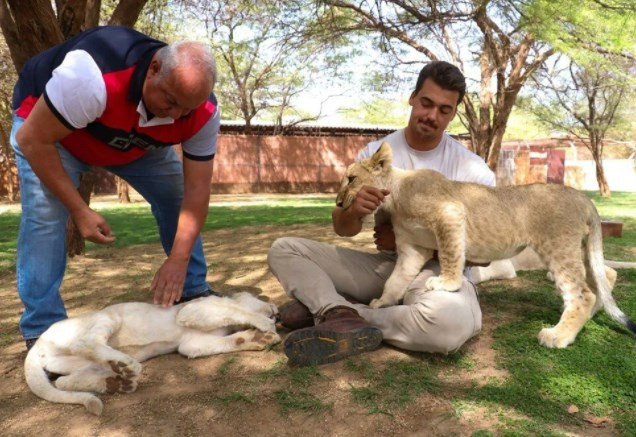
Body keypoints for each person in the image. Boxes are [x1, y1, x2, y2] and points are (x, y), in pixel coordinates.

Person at [268, 61, 496, 366]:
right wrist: (354, 211)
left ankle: (345, 314)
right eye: (426, 103)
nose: (432, 116)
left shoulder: (472, 170)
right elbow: (342, 227)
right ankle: (338, 310)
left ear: (453, 113)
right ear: (412, 98)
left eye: (444, 110)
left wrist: (411, 235)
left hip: (436, 275)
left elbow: (485, 254)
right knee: (284, 250)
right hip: (386, 267)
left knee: (448, 326)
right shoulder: (374, 154)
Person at [11, 26, 221, 350]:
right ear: (153, 69)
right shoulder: (92, 75)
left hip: (135, 144)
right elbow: (32, 139)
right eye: (171, 101)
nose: (177, 115)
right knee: (44, 214)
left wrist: (179, 258)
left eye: (187, 109)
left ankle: (193, 290)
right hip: (54, 136)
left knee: (175, 195)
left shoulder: (203, 112)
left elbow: (196, 191)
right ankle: (43, 329)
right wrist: (79, 210)